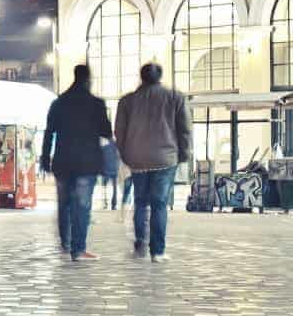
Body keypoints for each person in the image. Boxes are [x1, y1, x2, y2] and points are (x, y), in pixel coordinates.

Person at [112, 62, 191, 262]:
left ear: (142, 77)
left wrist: (125, 154)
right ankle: (158, 251)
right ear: (160, 77)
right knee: (159, 205)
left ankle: (140, 244)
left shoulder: (127, 101)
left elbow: (119, 132)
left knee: (140, 202)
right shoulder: (175, 98)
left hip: (137, 159)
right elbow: (184, 130)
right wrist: (183, 154)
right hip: (166, 159)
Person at [40, 64, 113, 261]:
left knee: (64, 204)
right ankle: (78, 249)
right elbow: (106, 131)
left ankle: (65, 243)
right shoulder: (96, 104)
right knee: (82, 205)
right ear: (88, 79)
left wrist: (45, 158)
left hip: (63, 161)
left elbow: (49, 133)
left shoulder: (59, 103)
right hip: (87, 163)